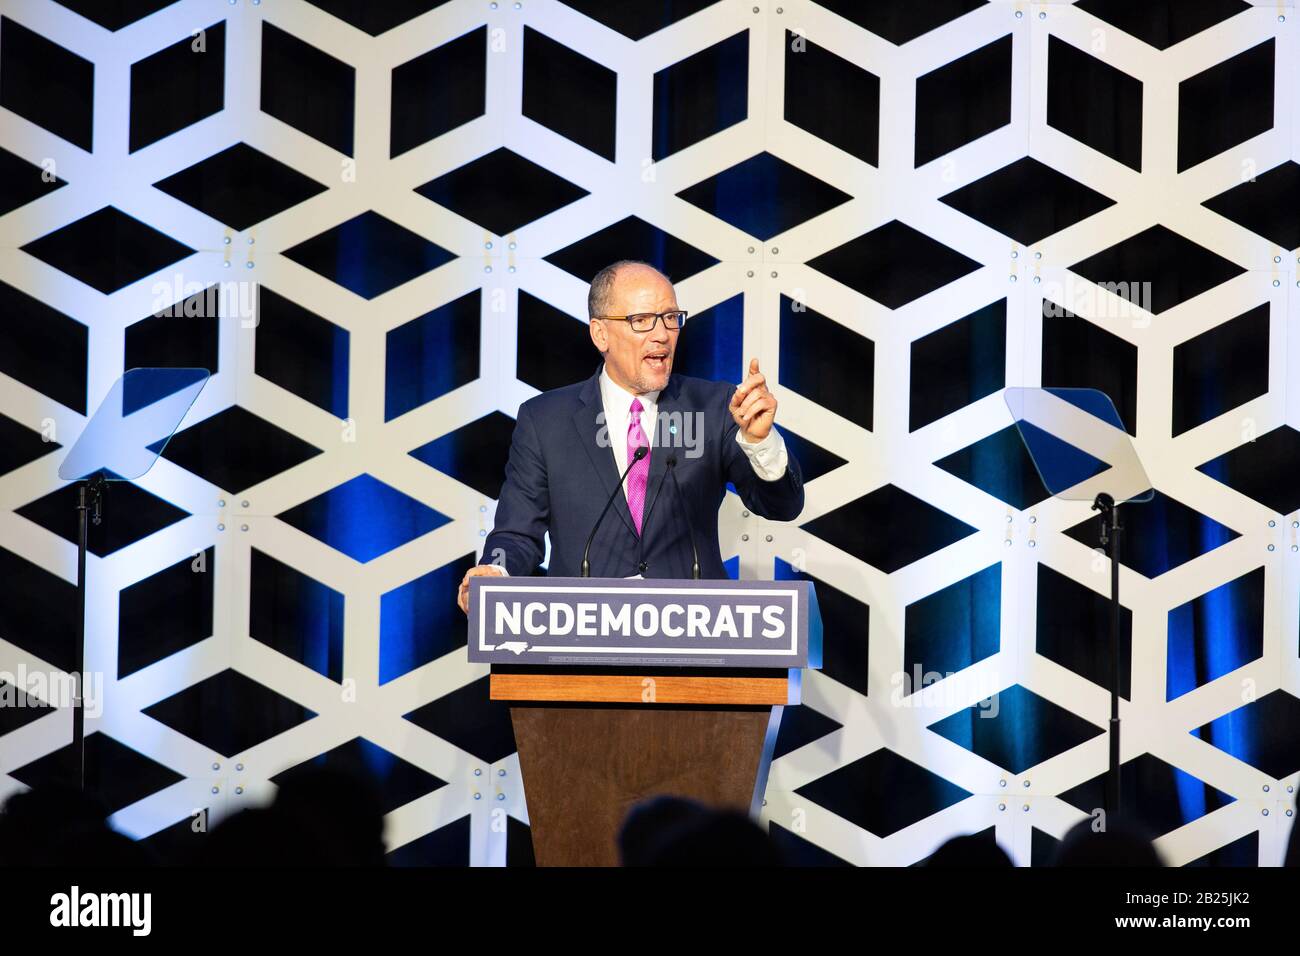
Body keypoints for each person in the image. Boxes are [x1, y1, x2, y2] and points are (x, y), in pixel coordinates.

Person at [458, 259, 803, 607]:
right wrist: (495, 572)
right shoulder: (545, 419)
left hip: (695, 634)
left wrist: (761, 443)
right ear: (600, 334)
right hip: (579, 636)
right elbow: (518, 533)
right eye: (642, 321)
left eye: (671, 318)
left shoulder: (715, 407)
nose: (662, 334)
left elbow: (782, 506)